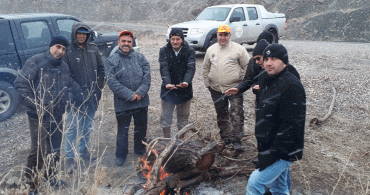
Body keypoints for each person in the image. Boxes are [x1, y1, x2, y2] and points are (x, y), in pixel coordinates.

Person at [14, 36, 79, 194]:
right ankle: (31, 185)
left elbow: (69, 86)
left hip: (57, 116)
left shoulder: (64, 66)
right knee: (38, 151)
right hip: (38, 116)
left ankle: (52, 178)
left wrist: (67, 99)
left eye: (64, 49)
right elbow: (21, 84)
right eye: (58, 47)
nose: (60, 51)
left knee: (55, 149)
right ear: (51, 47)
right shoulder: (35, 61)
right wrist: (37, 106)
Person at [245, 44, 306, 195]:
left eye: (274, 59)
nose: (268, 63)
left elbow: (291, 127)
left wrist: (269, 156)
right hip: (268, 144)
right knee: (279, 187)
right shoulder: (266, 78)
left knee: (255, 183)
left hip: (283, 150)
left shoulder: (292, 86)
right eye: (266, 59)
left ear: (284, 62)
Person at [63, 22, 105, 173]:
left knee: (87, 124)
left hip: (92, 95)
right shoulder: (67, 51)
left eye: (84, 34)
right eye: (79, 33)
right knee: (73, 127)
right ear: (74, 34)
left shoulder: (93, 49)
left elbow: (101, 70)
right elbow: (65, 75)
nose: (81, 36)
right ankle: (69, 158)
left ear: (88, 35)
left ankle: (83, 150)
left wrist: (98, 88)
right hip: (74, 97)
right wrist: (77, 91)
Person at [105, 30, 151, 166]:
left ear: (132, 43)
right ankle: (121, 155)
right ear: (118, 43)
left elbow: (147, 78)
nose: (126, 44)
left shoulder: (141, 58)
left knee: (141, 128)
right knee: (123, 131)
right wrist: (130, 95)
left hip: (141, 101)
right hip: (122, 104)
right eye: (123, 41)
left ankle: (139, 149)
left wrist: (139, 93)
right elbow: (112, 82)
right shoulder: (111, 61)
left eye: (129, 42)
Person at [203, 25, 250, 150]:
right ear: (217, 35)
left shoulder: (239, 49)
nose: (223, 37)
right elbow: (205, 68)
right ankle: (225, 137)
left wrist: (242, 84)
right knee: (221, 113)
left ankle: (237, 139)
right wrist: (208, 84)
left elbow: (248, 66)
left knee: (236, 113)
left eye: (225, 35)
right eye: (220, 35)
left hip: (234, 88)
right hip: (216, 89)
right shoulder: (210, 50)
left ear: (230, 35)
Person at [158, 28, 196, 138]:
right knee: (166, 117)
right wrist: (167, 83)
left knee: (183, 118)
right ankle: (166, 141)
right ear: (169, 39)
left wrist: (186, 81)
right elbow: (163, 67)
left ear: (182, 40)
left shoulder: (190, 51)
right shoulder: (163, 50)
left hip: (185, 89)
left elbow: (191, 68)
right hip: (168, 89)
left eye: (178, 39)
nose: (175, 41)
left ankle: (180, 142)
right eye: (172, 39)